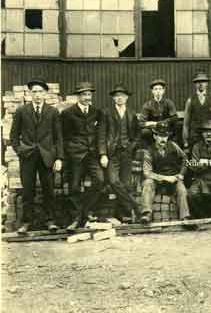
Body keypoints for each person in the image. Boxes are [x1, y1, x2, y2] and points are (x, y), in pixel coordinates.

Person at [10, 79, 64, 234]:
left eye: (40, 92)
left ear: (45, 93)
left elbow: (58, 137)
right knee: (28, 190)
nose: (37, 95)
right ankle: (26, 222)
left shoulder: (52, 112)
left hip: (47, 156)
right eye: (34, 92)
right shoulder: (22, 111)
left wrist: (59, 158)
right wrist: (20, 150)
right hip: (27, 156)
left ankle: (50, 221)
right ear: (29, 94)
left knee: (49, 189)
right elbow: (14, 135)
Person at [61, 82, 106, 231]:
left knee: (99, 180)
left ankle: (84, 212)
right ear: (78, 97)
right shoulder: (68, 113)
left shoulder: (97, 112)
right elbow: (64, 137)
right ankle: (76, 217)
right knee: (73, 186)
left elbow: (100, 135)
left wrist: (102, 154)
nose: (87, 97)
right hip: (76, 155)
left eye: (89, 94)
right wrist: (70, 152)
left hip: (92, 154)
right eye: (84, 95)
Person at [97, 85, 143, 222]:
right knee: (113, 181)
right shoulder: (106, 113)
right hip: (112, 153)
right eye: (117, 96)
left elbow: (137, 135)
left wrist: (131, 146)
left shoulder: (131, 113)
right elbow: (101, 135)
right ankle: (135, 206)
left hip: (126, 153)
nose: (119, 98)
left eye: (122, 96)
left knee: (125, 184)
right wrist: (103, 154)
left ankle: (123, 214)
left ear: (127, 98)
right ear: (113, 98)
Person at [141, 122, 192, 225]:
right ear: (155, 136)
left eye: (165, 136)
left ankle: (185, 217)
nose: (163, 139)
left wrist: (181, 174)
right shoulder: (149, 151)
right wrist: (165, 178)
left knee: (181, 188)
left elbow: (185, 159)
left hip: (173, 179)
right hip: (157, 181)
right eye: (160, 136)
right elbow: (147, 173)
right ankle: (146, 214)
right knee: (147, 183)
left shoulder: (173, 146)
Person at [182, 72, 211, 153]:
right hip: (195, 135)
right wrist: (185, 142)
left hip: (210, 133)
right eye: (198, 82)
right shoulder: (190, 100)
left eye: (203, 81)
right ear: (195, 84)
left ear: (207, 83)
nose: (201, 84)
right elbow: (186, 123)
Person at [138, 79, 178, 146]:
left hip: (166, 130)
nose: (158, 91)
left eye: (160, 89)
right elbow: (141, 123)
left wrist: (161, 123)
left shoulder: (169, 103)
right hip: (153, 131)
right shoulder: (147, 105)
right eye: (155, 89)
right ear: (152, 91)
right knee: (144, 132)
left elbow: (174, 118)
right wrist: (150, 123)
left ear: (163, 91)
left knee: (177, 128)